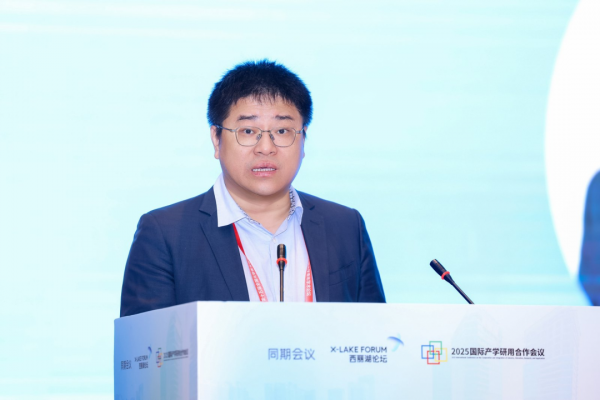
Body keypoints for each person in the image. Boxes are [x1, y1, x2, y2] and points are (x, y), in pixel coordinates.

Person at [120, 60, 385, 317]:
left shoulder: (345, 226)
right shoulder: (165, 234)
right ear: (216, 139)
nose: (266, 148)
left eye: (282, 131)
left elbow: (376, 335)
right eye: (248, 131)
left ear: (303, 138)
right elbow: (146, 345)